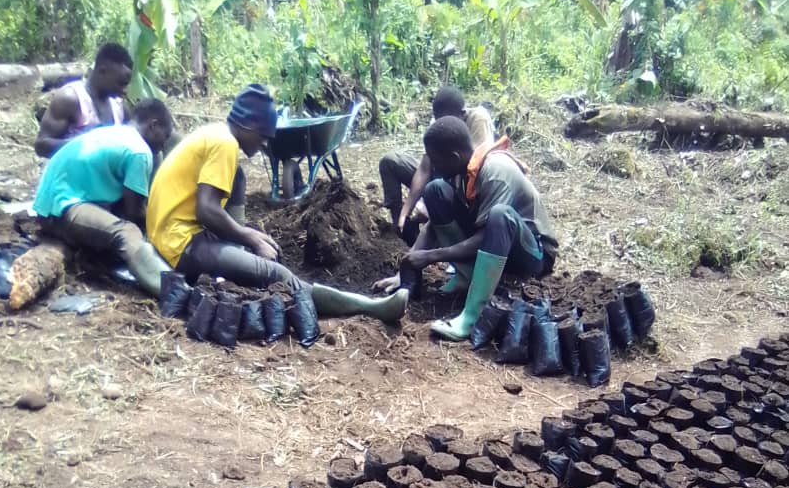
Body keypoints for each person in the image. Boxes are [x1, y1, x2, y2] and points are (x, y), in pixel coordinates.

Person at [147, 83, 408, 323]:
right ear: (249, 124)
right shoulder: (224, 143)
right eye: (263, 135)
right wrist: (249, 237)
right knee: (276, 275)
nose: (265, 143)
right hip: (180, 244)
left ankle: (241, 257)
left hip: (169, 234)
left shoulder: (214, 133)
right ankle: (372, 307)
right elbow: (206, 210)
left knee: (238, 181)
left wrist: (244, 236)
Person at [394, 116, 559, 342]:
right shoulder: (463, 171)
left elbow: (486, 235)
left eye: (436, 161)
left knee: (500, 215)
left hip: (534, 254)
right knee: (435, 190)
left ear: (454, 157)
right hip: (498, 246)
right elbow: (434, 226)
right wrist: (407, 266)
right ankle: (467, 276)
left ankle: (472, 314)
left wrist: (432, 256)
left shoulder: (495, 172)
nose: (433, 167)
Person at [33, 99, 174, 295]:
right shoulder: (139, 152)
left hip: (50, 201)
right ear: (153, 125)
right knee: (127, 232)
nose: (164, 144)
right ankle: (171, 290)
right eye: (165, 136)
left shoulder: (116, 132)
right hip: (60, 208)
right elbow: (133, 212)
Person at [378, 85, 495, 243]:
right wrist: (406, 211)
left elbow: (472, 167)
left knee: (437, 190)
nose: (442, 123)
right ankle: (402, 230)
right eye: (438, 120)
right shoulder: (439, 120)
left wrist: (429, 203)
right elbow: (425, 168)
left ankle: (447, 238)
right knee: (390, 161)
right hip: (440, 171)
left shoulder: (478, 119)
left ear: (462, 114)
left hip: (463, 184)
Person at [35, 43, 134, 159]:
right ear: (102, 71)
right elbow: (41, 146)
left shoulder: (120, 108)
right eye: (121, 84)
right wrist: (88, 142)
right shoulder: (70, 99)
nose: (124, 91)